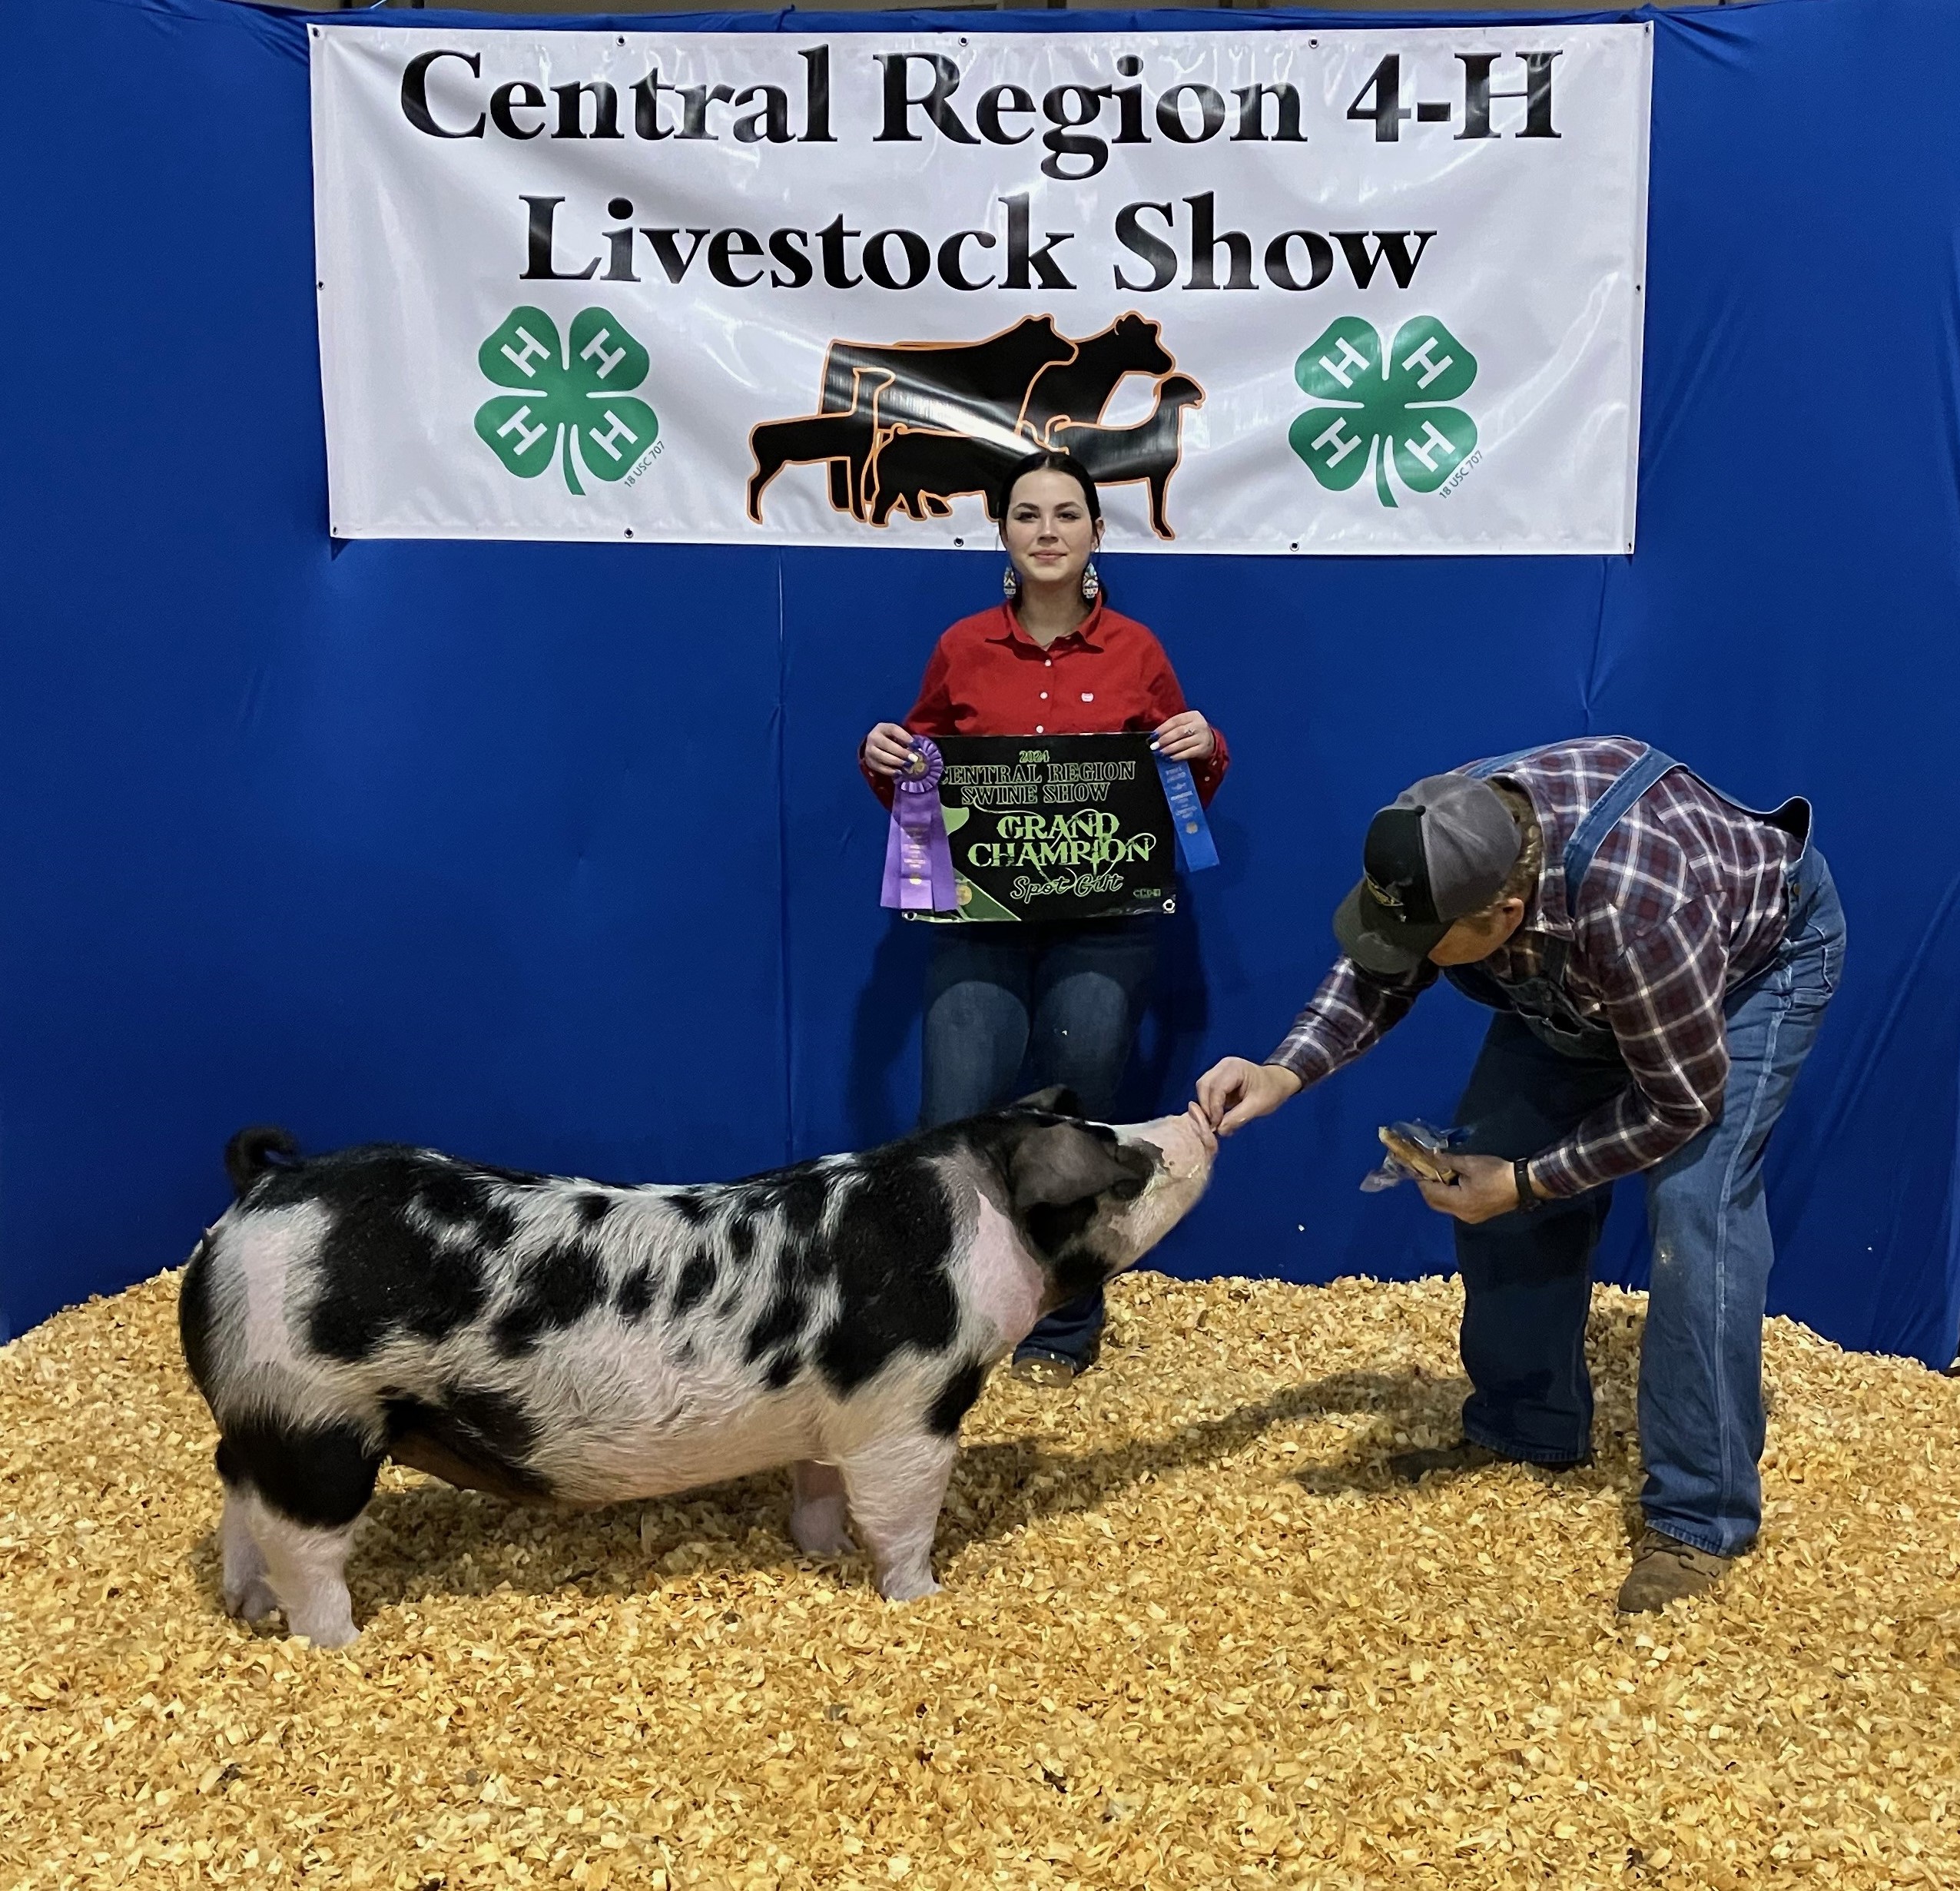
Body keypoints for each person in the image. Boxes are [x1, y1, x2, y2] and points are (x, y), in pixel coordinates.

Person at [1196, 737, 1843, 1613]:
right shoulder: (1443, 829)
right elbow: (1383, 957)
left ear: (1502, 915)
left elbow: (1678, 1105)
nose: (1411, 944)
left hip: (1744, 965)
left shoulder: (1635, 908)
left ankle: (1699, 1516)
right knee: (1492, 1151)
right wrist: (1285, 1070)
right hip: (1581, 972)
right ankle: (1525, 1426)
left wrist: (1530, 1180)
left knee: (1698, 1208)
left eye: (1436, 939)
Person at [861, 450, 1229, 1385]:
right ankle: (936, 1329)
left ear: (1097, 533)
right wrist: (886, 756)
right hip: (979, 921)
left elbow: (1177, 791)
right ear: (1003, 533)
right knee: (952, 1124)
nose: (1048, 531)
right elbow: (923, 777)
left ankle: (1062, 1330)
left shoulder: (1138, 651)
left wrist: (1203, 744)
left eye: (1067, 514)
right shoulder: (962, 647)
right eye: (1028, 515)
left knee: (1076, 1125)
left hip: (1103, 923)